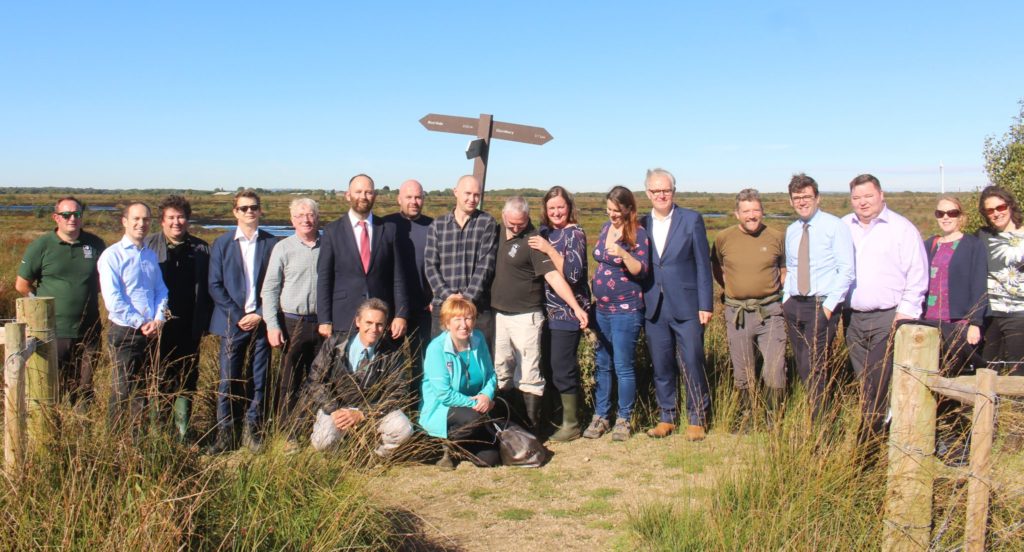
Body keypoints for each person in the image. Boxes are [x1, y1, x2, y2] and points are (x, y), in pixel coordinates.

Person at [842, 174, 928, 446]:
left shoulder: (901, 229)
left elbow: (917, 274)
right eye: (857, 198)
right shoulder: (844, 227)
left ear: (881, 195)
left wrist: (905, 314)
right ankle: (883, 426)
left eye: (868, 196)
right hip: (853, 318)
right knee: (865, 380)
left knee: (877, 382)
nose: (862, 202)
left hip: (888, 317)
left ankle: (868, 442)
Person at [490, 196, 589, 433]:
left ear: (528, 218)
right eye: (511, 223)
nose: (516, 228)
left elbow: (553, 276)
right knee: (501, 370)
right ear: (503, 217)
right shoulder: (495, 232)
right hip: (499, 316)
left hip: (526, 316)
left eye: (521, 224)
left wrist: (576, 307)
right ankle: (507, 426)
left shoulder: (533, 239)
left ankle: (531, 430)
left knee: (528, 373)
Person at [640, 168, 713, 441]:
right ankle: (666, 416)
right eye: (656, 190)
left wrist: (705, 304)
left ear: (674, 191)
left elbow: (703, 265)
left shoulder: (691, 219)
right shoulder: (641, 223)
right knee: (661, 364)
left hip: (687, 305)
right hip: (653, 306)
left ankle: (697, 419)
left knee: (692, 362)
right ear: (648, 193)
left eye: (666, 190)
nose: (661, 195)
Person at [15, 196, 106, 409]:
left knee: (84, 388)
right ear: (56, 217)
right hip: (54, 331)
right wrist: (41, 304)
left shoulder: (95, 244)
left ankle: (82, 435)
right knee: (53, 388)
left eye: (77, 214)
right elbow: (22, 284)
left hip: (89, 330)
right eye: (66, 215)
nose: (72, 218)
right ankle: (54, 435)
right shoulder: (42, 246)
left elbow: (106, 281)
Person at [207, 190, 279, 454]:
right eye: (244, 208)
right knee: (228, 379)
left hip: (261, 321)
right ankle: (225, 434)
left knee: (259, 378)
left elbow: (277, 283)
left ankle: (253, 430)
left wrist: (260, 312)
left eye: (254, 207)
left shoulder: (272, 244)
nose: (249, 212)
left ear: (260, 211)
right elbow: (214, 285)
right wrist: (239, 317)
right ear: (235, 212)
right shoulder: (222, 244)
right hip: (231, 322)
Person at [711, 188, 787, 430]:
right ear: (737, 214)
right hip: (738, 314)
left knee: (775, 368)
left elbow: (784, 269)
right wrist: (734, 288)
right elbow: (717, 268)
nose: (752, 216)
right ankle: (747, 416)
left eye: (756, 210)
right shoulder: (724, 238)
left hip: (770, 312)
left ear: (762, 211)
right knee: (743, 368)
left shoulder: (776, 237)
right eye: (746, 211)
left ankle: (773, 416)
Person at [300, 298, 414, 457]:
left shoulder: (393, 353)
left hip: (372, 410)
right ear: (358, 322)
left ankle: (373, 457)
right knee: (322, 441)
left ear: (385, 326)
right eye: (369, 322)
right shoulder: (334, 345)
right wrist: (333, 410)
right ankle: (344, 455)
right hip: (338, 409)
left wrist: (364, 413)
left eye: (379, 324)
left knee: (404, 429)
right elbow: (314, 381)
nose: (374, 328)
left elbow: (398, 393)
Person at [781, 173, 854, 422]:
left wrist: (829, 306)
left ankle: (821, 423)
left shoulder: (835, 226)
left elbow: (846, 270)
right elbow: (791, 268)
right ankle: (814, 412)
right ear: (791, 201)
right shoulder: (791, 230)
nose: (802, 202)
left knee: (816, 364)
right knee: (802, 362)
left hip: (821, 304)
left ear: (817, 197)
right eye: (797, 197)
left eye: (807, 196)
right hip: (795, 305)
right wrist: (785, 299)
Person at [922, 195, 987, 465]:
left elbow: (979, 284)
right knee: (932, 383)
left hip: (959, 323)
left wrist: (975, 322)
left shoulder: (972, 245)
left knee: (956, 385)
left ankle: (959, 445)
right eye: (940, 213)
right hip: (929, 324)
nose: (946, 217)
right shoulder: (930, 245)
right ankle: (936, 440)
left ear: (961, 215)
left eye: (952, 212)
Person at [583, 186, 650, 442]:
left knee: (623, 366)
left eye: (617, 210)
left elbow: (640, 270)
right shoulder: (604, 228)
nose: (612, 214)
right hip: (602, 309)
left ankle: (624, 418)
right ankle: (601, 416)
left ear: (629, 209)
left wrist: (623, 253)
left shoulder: (638, 233)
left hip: (626, 310)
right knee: (603, 365)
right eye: (609, 209)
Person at [144, 194, 213, 442]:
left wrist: (205, 322)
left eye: (181, 217)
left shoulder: (202, 248)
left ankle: (182, 433)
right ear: (162, 221)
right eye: (171, 217)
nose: (177, 222)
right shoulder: (149, 246)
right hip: (156, 327)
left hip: (190, 326)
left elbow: (209, 288)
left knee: (186, 378)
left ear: (188, 220)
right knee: (156, 377)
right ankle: (157, 432)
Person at [97, 202, 168, 432]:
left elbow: (160, 290)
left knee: (144, 390)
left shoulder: (149, 255)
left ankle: (138, 441)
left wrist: (158, 318)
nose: (141, 224)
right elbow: (113, 300)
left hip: (151, 332)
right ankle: (113, 441)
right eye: (136, 219)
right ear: (124, 221)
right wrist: (141, 322)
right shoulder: (112, 256)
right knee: (122, 390)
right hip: (125, 332)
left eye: (146, 219)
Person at [528, 186, 591, 442]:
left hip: (568, 312)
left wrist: (549, 250)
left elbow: (574, 276)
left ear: (569, 208)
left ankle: (572, 423)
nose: (556, 212)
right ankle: (554, 418)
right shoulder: (543, 232)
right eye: (551, 208)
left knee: (562, 367)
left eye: (560, 207)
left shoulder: (574, 234)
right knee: (548, 367)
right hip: (545, 312)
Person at [262, 197, 323, 446]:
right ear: (292, 220)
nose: (306, 220)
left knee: (319, 379)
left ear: (317, 218)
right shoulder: (283, 248)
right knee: (289, 380)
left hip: (322, 324)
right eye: (300, 216)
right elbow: (270, 290)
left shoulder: (329, 245)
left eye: (310, 215)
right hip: (291, 323)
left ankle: (315, 430)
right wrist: (272, 325)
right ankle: (288, 434)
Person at [317, 174, 408, 341]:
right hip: (344, 318)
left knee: (382, 366)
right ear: (348, 195)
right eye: (358, 192)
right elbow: (324, 278)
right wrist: (324, 319)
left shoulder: (388, 229)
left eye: (368, 192)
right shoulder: (332, 231)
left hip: (381, 320)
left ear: (374, 195)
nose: (363, 197)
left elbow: (398, 277)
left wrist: (401, 315)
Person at [420, 295, 502, 468]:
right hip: (445, 408)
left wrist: (486, 396)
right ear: (447, 323)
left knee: (490, 459)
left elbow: (490, 375)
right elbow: (444, 394)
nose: (464, 324)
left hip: (475, 408)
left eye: (468, 318)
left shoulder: (478, 339)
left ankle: (460, 446)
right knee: (473, 418)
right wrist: (475, 403)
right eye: (457, 319)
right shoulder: (436, 348)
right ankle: (440, 443)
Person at [424, 175, 499, 348]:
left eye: (476, 195)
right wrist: (448, 296)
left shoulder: (486, 223)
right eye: (468, 193)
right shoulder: (438, 225)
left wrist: (466, 299)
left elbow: (485, 265)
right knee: (442, 358)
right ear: (455, 192)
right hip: (444, 308)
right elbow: (430, 265)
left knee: (478, 361)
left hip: (477, 309)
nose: (472, 199)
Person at [383, 179, 434, 372]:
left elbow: (441, 265)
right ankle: (391, 401)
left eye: (418, 197)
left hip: (424, 309)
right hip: (391, 309)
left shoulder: (433, 227)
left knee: (422, 363)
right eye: (409, 197)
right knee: (389, 363)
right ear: (399, 199)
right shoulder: (386, 225)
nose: (414, 201)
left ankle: (420, 401)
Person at [978, 185, 1024, 376]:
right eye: (990, 210)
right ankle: (987, 406)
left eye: (1001, 207)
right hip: (991, 313)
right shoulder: (983, 236)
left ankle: (1016, 407)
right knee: (987, 369)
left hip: (1019, 313)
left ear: (1010, 206)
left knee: (1017, 370)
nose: (996, 213)